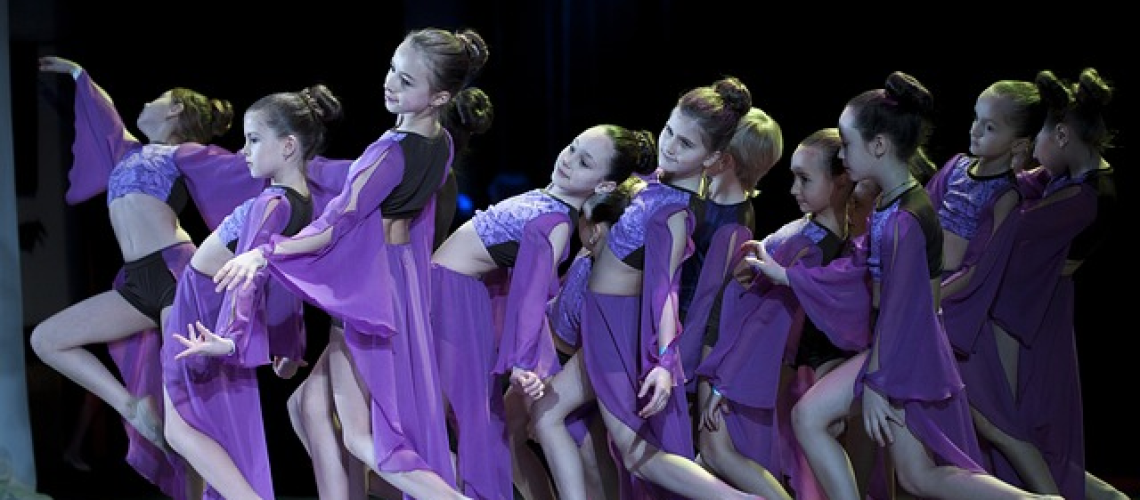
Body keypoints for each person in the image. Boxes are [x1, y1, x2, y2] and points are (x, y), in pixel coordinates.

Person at [748, 71, 1063, 500]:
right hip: (903, 346)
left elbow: (902, 307)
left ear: (878, 146)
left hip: (904, 350)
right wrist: (786, 275)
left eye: (848, 142)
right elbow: (868, 280)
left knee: (808, 416)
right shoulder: (893, 205)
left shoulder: (904, 219)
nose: (843, 153)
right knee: (918, 475)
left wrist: (878, 381)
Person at [213, 27, 492, 500]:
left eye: (406, 81)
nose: (390, 84)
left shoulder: (389, 151)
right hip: (398, 282)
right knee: (306, 403)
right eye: (392, 70)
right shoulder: (441, 143)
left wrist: (265, 251)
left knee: (364, 436)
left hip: (373, 291)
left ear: (438, 95)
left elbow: (333, 226)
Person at [30, 55, 253, 496]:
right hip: (137, 282)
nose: (145, 103)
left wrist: (258, 156)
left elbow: (238, 173)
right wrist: (78, 74)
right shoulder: (127, 151)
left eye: (157, 99)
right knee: (46, 339)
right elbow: (105, 114)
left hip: (177, 275)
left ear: (173, 111)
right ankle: (131, 406)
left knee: (184, 417)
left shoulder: (184, 154)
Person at [530, 80, 762, 500]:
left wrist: (663, 362)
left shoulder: (675, 211)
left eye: (685, 143)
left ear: (711, 158)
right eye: (669, 131)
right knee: (546, 416)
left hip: (619, 331)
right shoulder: (661, 182)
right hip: (602, 325)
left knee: (636, 455)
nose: (670, 146)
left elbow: (666, 289)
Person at [430, 123, 656, 500]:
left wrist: (523, 361)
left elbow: (531, 295)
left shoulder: (556, 224)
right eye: (571, 147)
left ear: (602, 186)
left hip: (452, 303)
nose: (568, 161)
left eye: (584, 162)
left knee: (452, 425)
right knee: (460, 425)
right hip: (452, 296)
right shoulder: (550, 204)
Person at [160, 84, 342, 500]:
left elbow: (251, 275)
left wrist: (229, 337)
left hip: (205, 308)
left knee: (183, 428)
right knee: (205, 431)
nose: (243, 150)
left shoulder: (273, 204)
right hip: (211, 309)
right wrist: (288, 342)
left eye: (254, 140)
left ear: (289, 146)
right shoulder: (302, 201)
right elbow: (281, 278)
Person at [697, 127, 869, 500]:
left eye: (805, 179)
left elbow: (768, 319)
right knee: (716, 458)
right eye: (794, 177)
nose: (793, 190)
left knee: (716, 452)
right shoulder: (821, 234)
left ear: (841, 181)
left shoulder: (814, 246)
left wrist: (723, 380)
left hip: (732, 348)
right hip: (736, 343)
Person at [985, 68, 1126, 500]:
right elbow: (1032, 184)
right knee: (1021, 428)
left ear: (1062, 136)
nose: (1032, 152)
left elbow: (1014, 227)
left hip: (1038, 310)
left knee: (1024, 425)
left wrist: (1005, 177)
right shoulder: (1072, 176)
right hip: (1036, 302)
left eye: (1038, 139)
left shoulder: (1088, 194)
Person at [507, 184, 640, 500]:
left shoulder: (611, 280)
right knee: (502, 433)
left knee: (590, 464)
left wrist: (558, 379)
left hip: (574, 367)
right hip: (545, 352)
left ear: (594, 230)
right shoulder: (590, 253)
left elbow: (600, 338)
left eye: (582, 218)